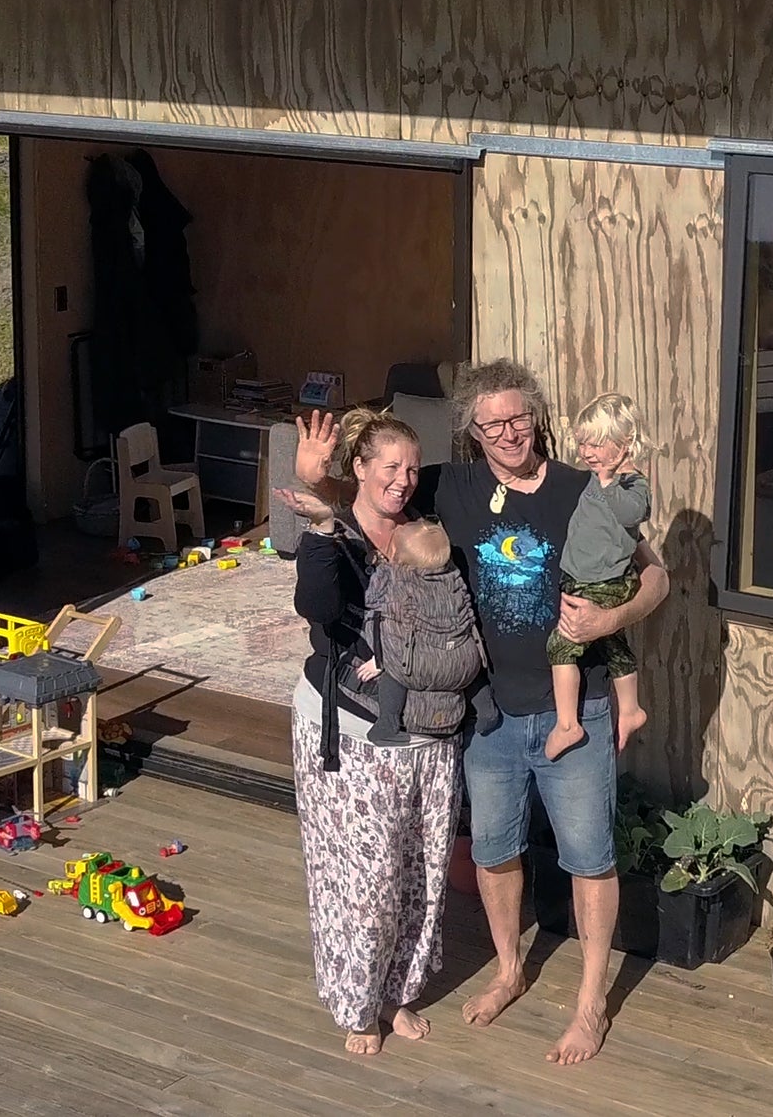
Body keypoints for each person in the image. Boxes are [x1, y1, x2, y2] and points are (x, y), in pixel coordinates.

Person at [295, 360, 671, 1066]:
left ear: (538, 416)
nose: (508, 433)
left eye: (519, 417)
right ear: (471, 429)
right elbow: (378, 497)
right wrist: (321, 482)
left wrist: (612, 616)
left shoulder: (579, 488)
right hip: (490, 717)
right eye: (492, 422)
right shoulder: (452, 486)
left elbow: (658, 574)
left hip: (578, 707)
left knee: (590, 861)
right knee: (496, 854)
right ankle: (508, 968)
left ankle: (590, 1006)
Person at [280, 409, 457, 1058]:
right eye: (392, 467)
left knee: (418, 872)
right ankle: (357, 1004)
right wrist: (322, 510)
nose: (406, 481)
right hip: (347, 729)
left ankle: (397, 992)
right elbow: (319, 608)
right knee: (360, 876)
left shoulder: (426, 523)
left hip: (427, 737)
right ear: (360, 467)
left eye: (413, 468)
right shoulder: (337, 532)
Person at [545, 393, 651, 762]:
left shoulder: (631, 485)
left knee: (561, 645)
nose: (587, 451)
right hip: (584, 578)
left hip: (605, 582)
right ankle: (632, 709)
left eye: (596, 443)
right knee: (613, 645)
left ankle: (567, 724)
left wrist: (608, 481)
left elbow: (630, 515)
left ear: (624, 445)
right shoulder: (597, 478)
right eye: (582, 442)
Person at [363, 516, 495, 747]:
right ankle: (487, 711)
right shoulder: (453, 577)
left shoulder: (394, 576)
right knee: (470, 674)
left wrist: (381, 657)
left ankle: (386, 725)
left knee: (394, 676)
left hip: (416, 664)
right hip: (461, 662)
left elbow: (377, 611)